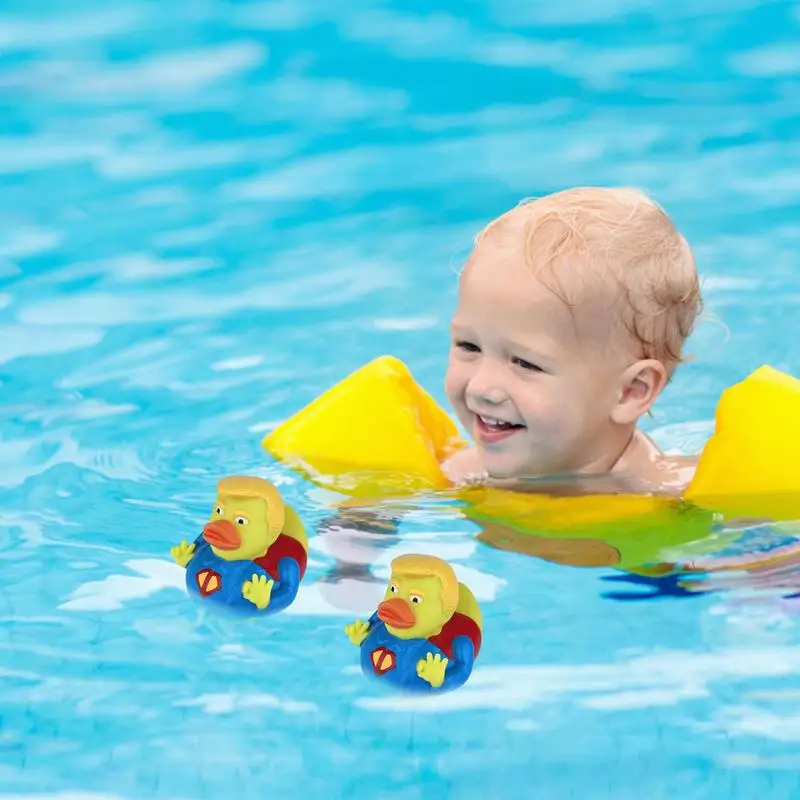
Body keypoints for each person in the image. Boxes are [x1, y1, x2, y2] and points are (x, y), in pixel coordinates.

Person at [441, 186, 702, 497]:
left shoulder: (674, 496)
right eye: (469, 347)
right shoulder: (459, 475)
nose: (481, 387)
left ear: (630, 392)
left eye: (525, 363)